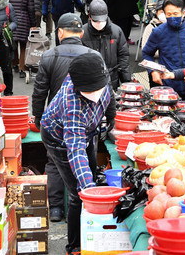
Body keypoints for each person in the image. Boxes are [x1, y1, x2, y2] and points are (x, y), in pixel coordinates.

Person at [32, 13, 115, 225]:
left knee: (74, 165)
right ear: (81, 33)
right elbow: (76, 152)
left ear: (60, 33)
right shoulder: (92, 58)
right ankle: (71, 213)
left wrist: (38, 116)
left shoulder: (54, 56)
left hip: (76, 123)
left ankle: (60, 206)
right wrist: (88, 192)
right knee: (70, 167)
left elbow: (40, 90)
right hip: (61, 125)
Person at [40, 52, 111, 255]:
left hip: (88, 131)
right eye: (92, 90)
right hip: (59, 138)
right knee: (78, 193)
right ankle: (75, 246)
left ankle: (91, 232)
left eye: (100, 87)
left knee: (89, 176)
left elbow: (110, 96)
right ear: (79, 88)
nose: (98, 92)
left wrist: (111, 116)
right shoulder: (72, 105)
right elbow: (76, 151)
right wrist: (89, 190)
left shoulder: (99, 76)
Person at [142, 0, 185, 99]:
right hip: (168, 87)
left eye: (175, 14)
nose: (172, 17)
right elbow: (147, 53)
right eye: (169, 15)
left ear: (183, 13)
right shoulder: (158, 32)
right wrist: (152, 71)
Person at [81, 0, 130, 89]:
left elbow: (123, 56)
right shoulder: (82, 33)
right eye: (96, 20)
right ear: (90, 16)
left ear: (107, 14)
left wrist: (126, 81)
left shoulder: (116, 31)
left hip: (112, 81)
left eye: (101, 20)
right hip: (90, 82)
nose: (99, 23)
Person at [5, 0, 35, 78]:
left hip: (10, 21)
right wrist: (33, 24)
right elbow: (31, 9)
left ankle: (14, 64)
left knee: (12, 44)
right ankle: (22, 67)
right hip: (24, 21)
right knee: (23, 46)